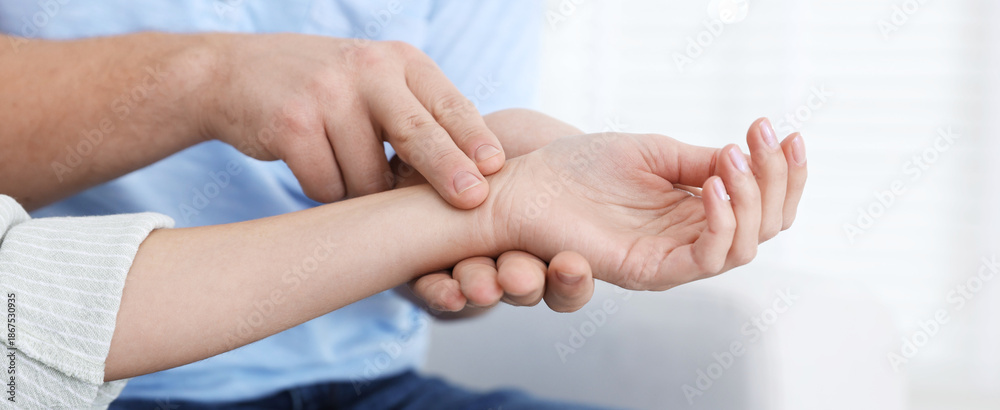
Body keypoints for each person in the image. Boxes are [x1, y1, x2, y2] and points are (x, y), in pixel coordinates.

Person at [0, 2, 807, 408]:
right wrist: (204, 76)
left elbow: (438, 241)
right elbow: (33, 316)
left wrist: (494, 208)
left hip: (363, 383)